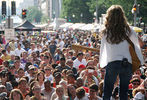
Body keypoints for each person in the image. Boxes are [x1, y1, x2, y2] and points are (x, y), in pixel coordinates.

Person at [99, 5, 144, 100]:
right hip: (126, 63)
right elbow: (140, 43)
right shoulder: (128, 30)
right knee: (123, 92)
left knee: (107, 92)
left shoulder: (106, 31)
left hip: (112, 63)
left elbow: (103, 49)